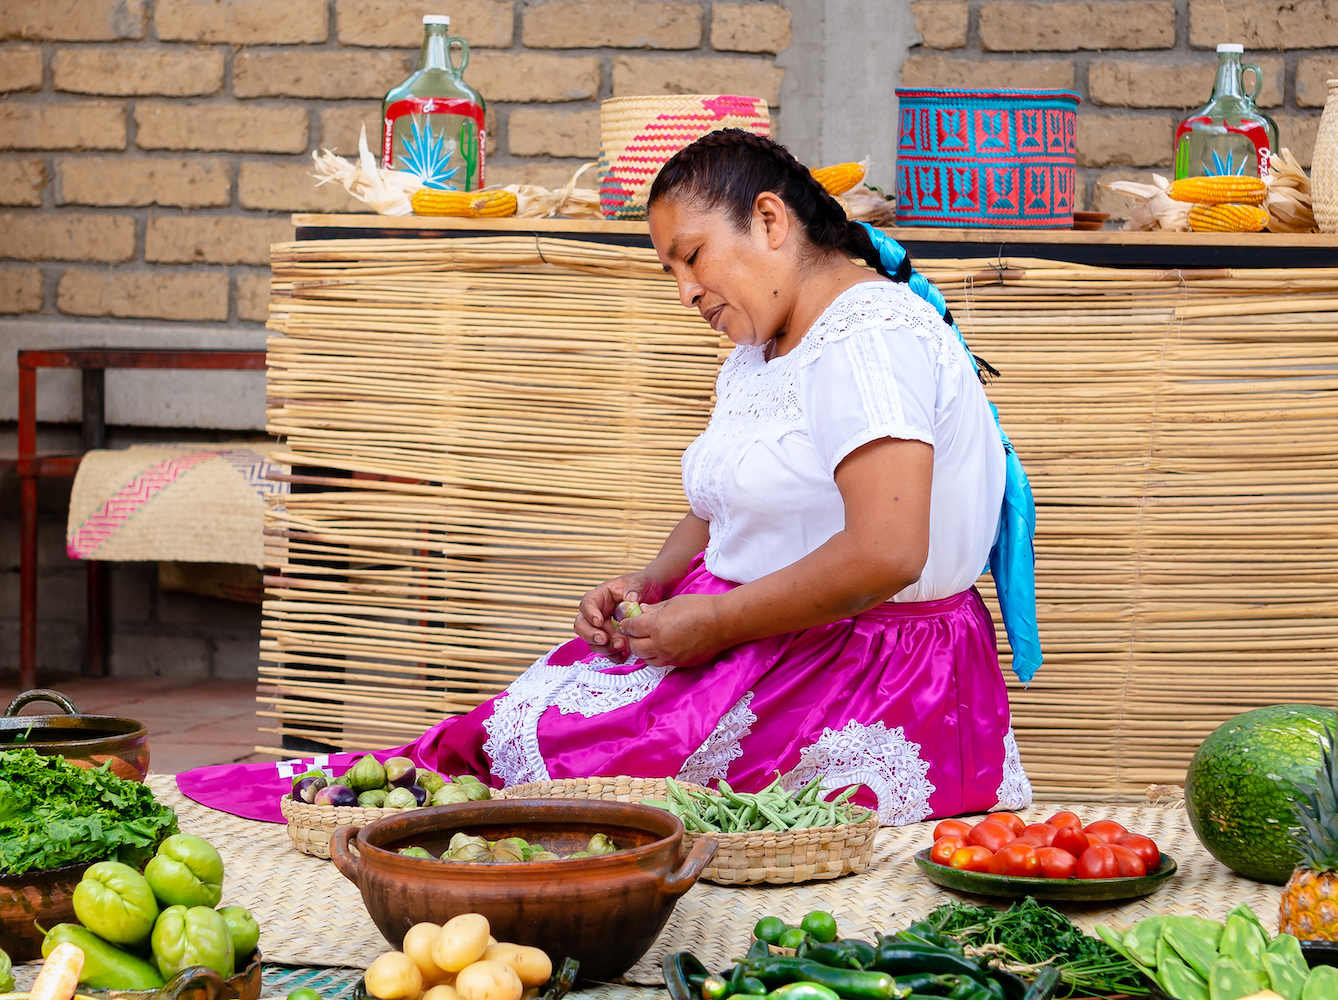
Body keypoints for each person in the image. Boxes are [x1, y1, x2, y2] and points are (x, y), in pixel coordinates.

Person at [393, 129, 1033, 824]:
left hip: (865, 667)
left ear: (769, 220)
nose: (685, 292)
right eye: (672, 272)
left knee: (563, 773)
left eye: (691, 257)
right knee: (511, 733)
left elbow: (888, 552)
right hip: (766, 636)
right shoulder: (764, 348)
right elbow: (724, 501)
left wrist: (719, 622)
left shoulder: (869, 340)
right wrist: (655, 580)